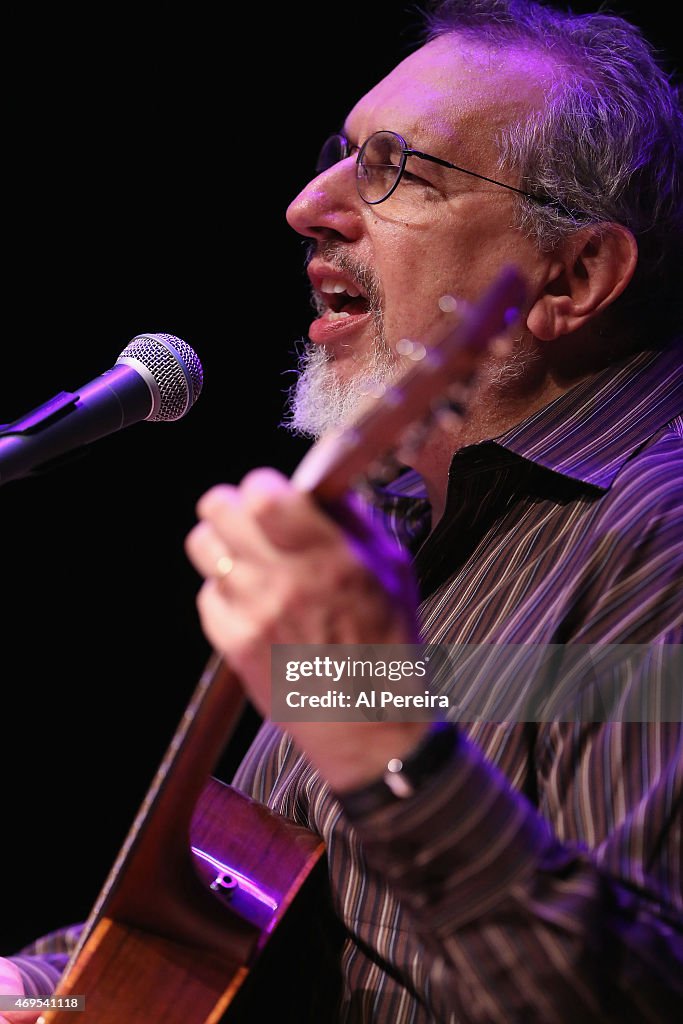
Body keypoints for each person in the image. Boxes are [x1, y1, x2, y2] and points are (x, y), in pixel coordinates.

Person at [2, 0, 681, 1021]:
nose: (306, 205)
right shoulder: (389, 526)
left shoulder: (655, 535)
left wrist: (375, 728)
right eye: (343, 154)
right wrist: (41, 987)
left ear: (573, 276)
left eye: (395, 169)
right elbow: (217, 920)